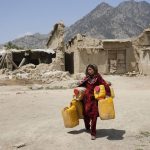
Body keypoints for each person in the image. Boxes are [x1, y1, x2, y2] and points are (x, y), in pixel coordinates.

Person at [78, 64, 111, 140]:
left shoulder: (98, 77)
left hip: (94, 99)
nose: (89, 71)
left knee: (94, 115)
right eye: (88, 69)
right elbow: (81, 85)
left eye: (91, 69)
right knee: (85, 114)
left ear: (94, 70)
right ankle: (87, 126)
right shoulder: (87, 78)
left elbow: (105, 84)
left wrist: (108, 94)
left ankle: (93, 133)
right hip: (86, 99)